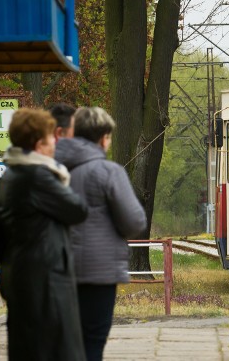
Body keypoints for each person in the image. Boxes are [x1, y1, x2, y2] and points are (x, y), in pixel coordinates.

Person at [55, 106, 147, 361]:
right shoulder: (108, 172)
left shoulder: (54, 170)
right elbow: (134, 222)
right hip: (99, 273)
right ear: (103, 137)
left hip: (59, 270)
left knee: (67, 344)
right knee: (92, 342)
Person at [0, 108, 88, 360]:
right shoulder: (38, 175)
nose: (55, 144)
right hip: (44, 276)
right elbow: (77, 210)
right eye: (50, 139)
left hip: (22, 271)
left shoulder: (11, 173)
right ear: (39, 144)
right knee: (51, 349)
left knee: (28, 346)